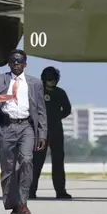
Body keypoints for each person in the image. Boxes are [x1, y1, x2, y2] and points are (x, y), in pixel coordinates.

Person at [0, 49, 47, 214]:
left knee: (26, 160)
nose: (16, 64)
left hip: (26, 127)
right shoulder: (0, 80)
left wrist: (42, 134)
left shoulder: (35, 83)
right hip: (6, 127)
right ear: (9, 63)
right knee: (8, 169)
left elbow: (40, 111)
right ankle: (14, 205)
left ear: (25, 64)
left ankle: (23, 202)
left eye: (19, 62)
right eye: (13, 61)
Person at [29, 66, 72, 199]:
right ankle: (30, 190)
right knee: (36, 162)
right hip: (39, 131)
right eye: (49, 80)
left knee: (58, 161)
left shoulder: (60, 93)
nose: (51, 82)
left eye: (53, 80)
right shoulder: (36, 92)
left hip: (56, 130)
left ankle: (60, 190)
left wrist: (55, 116)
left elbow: (67, 109)